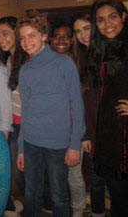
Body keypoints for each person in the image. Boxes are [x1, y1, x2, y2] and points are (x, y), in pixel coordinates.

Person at [16, 14, 85, 217]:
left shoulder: (64, 63)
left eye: (32, 36)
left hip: (58, 144)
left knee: (59, 196)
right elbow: (25, 110)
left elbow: (77, 105)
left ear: (44, 35)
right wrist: (21, 147)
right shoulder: (25, 70)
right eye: (22, 38)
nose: (26, 42)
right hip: (30, 142)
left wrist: (74, 145)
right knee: (31, 193)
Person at [87, 0, 128, 216]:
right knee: (118, 198)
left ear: (123, 16)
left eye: (112, 16)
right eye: (101, 19)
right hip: (109, 134)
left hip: (125, 134)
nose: (107, 24)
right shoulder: (101, 50)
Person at [50, 22, 87, 217]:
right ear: (50, 39)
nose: (61, 40)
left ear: (72, 40)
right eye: (57, 36)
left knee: (74, 175)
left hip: (73, 129)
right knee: (57, 176)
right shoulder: (45, 62)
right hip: (52, 130)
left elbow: (84, 102)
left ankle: (79, 210)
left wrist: (83, 135)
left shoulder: (80, 64)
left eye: (66, 36)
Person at [73, 13, 107, 217]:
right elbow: (80, 103)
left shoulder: (110, 54)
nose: (82, 35)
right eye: (78, 31)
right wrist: (84, 135)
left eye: (86, 28)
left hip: (114, 128)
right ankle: (97, 212)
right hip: (92, 129)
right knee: (95, 179)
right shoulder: (80, 61)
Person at [0, 16, 28, 214]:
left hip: (27, 124)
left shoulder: (27, 60)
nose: (0, 39)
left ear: (16, 33)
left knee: (26, 172)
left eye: (5, 33)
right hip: (14, 123)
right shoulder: (8, 59)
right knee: (18, 171)